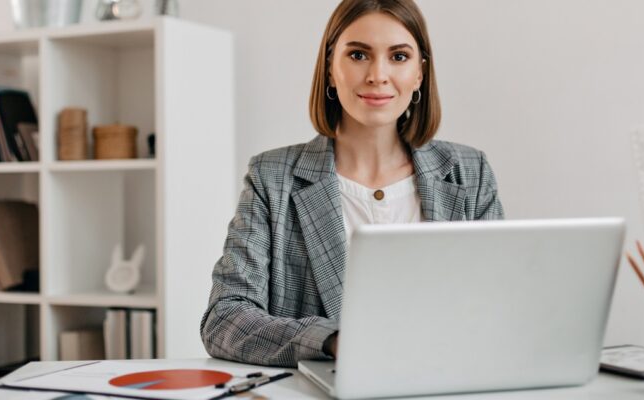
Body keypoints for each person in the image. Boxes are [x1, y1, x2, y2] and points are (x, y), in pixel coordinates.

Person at [200, 0, 504, 368]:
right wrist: (332, 341)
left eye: (399, 56)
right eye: (359, 55)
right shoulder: (272, 176)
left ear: (420, 73)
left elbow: (499, 305)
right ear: (330, 68)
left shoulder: (470, 172)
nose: (378, 74)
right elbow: (224, 318)